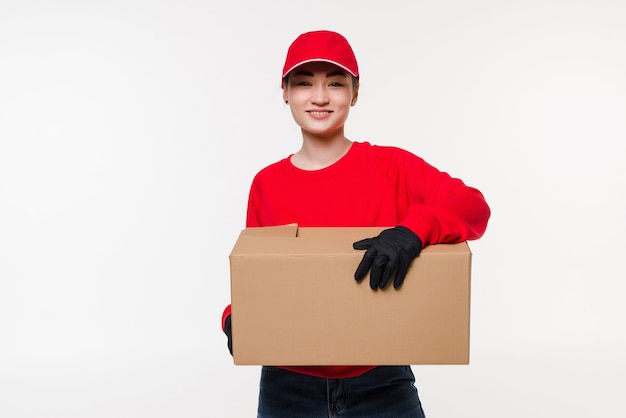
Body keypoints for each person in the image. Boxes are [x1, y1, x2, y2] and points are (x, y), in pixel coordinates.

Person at [221, 30, 491, 417]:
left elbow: (473, 206)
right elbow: (258, 276)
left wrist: (414, 230)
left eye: (335, 83)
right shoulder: (267, 183)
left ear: (355, 92)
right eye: (303, 83)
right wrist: (235, 318)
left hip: (381, 379)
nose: (319, 96)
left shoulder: (392, 167)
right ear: (284, 92)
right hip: (288, 385)